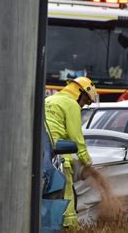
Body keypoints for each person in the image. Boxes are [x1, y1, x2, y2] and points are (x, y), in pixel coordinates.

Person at [44, 76, 97, 229]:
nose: (82, 106)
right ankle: (69, 227)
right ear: (79, 93)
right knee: (66, 196)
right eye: (85, 101)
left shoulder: (50, 100)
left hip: (40, 156)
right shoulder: (71, 105)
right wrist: (87, 162)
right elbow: (77, 138)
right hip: (59, 156)